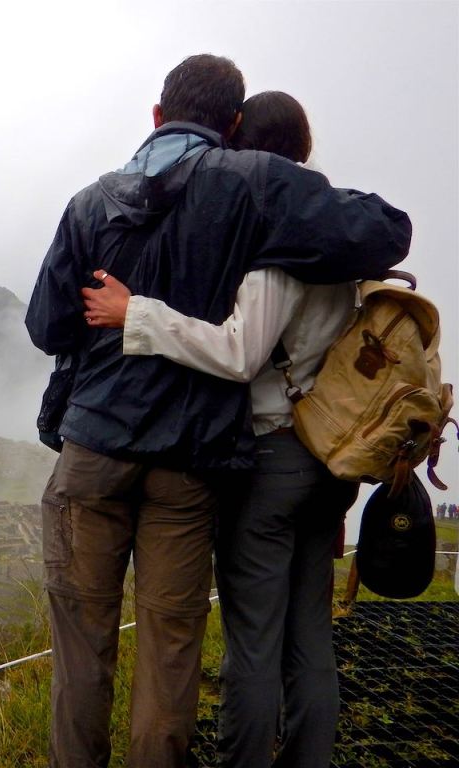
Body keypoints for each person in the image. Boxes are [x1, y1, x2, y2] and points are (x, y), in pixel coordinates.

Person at [26, 55, 411, 768]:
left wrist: (118, 309)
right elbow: (386, 231)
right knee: (171, 653)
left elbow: (46, 329)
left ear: (154, 115)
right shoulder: (255, 187)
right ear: (232, 126)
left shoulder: (87, 204)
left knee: (83, 646)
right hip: (188, 463)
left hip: (93, 453)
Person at [82, 90, 358, 768]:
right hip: (331, 455)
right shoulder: (340, 231)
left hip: (274, 458)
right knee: (309, 638)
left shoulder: (279, 237)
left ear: (241, 144)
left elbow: (241, 352)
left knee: (255, 642)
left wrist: (135, 314)